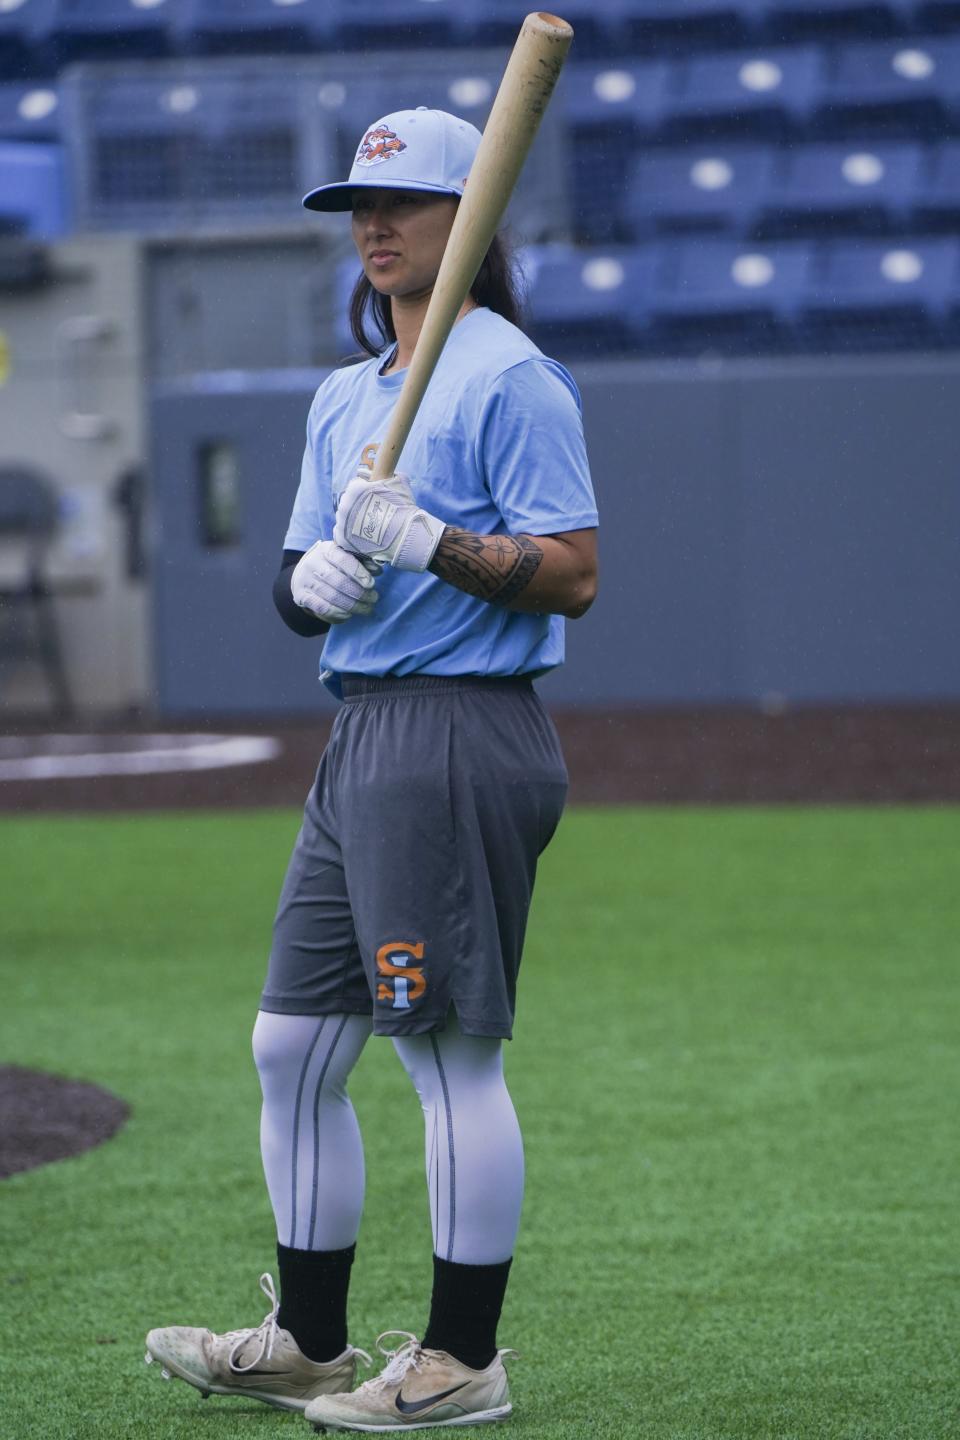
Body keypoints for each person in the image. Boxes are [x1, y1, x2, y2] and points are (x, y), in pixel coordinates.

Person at [144, 107, 598, 1433]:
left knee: (447, 1056)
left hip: (463, 727)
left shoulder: (512, 377)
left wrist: (432, 542)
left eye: (402, 204)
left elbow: (573, 572)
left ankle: (463, 1362)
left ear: (473, 217)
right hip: (367, 738)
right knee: (290, 1047)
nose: (374, 226)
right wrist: (317, 586)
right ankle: (311, 1341)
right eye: (360, 206)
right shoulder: (348, 396)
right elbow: (299, 586)